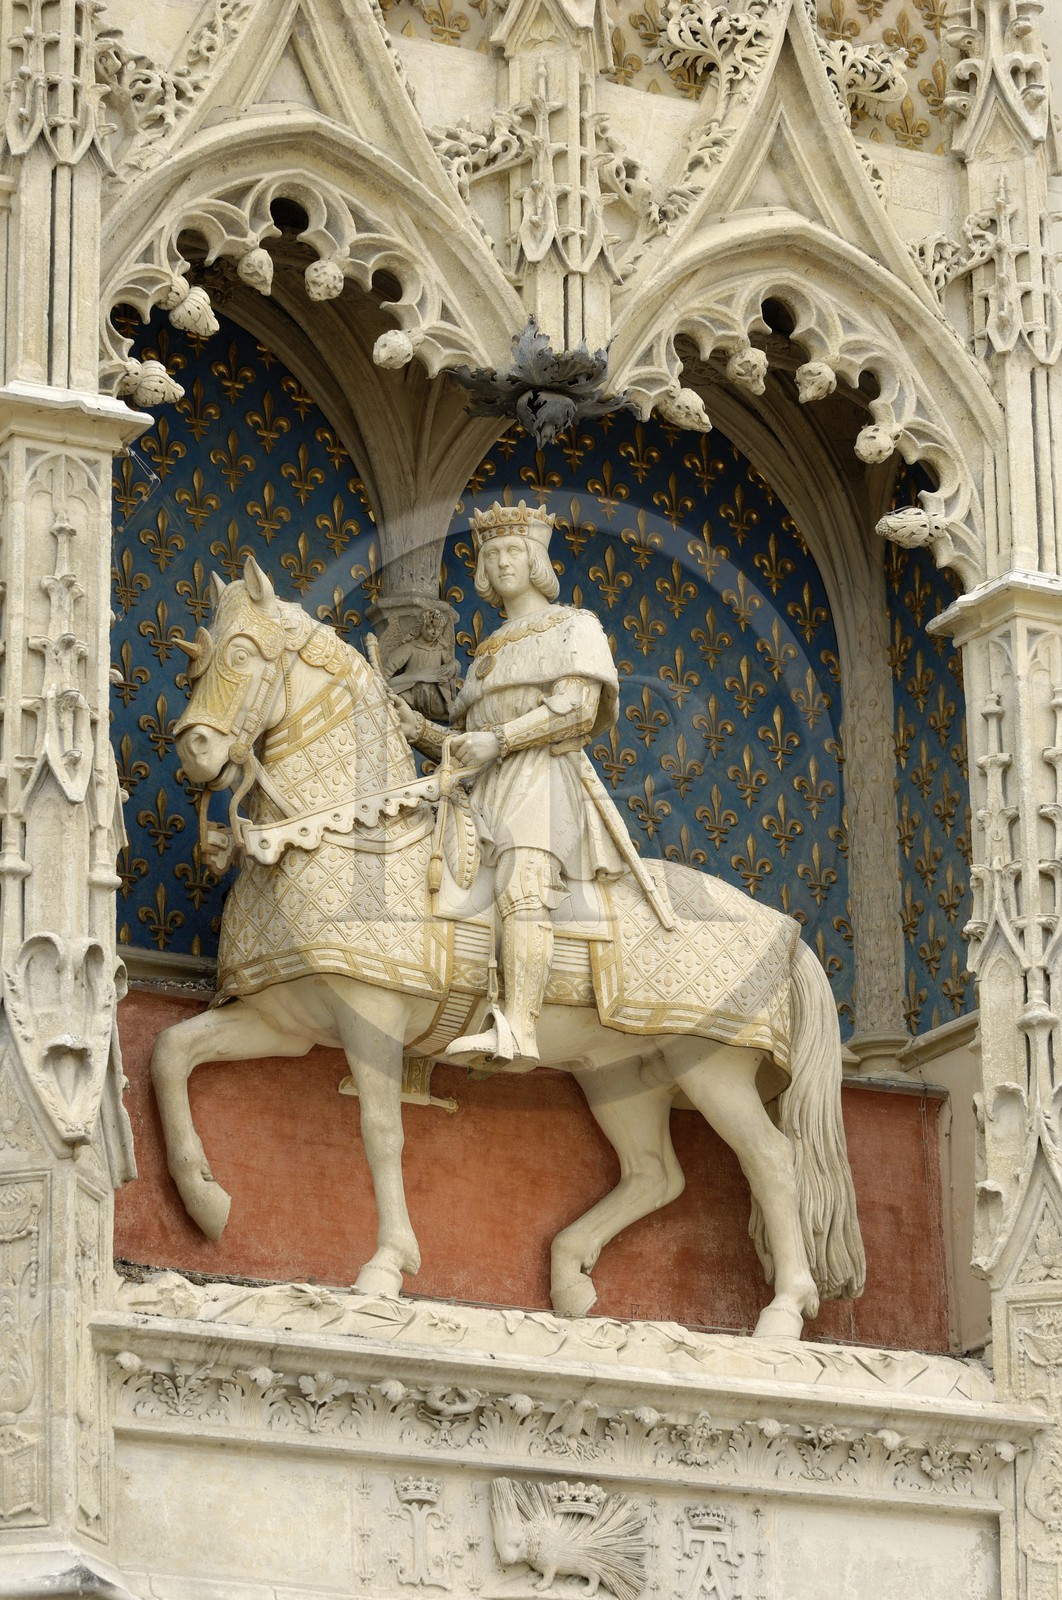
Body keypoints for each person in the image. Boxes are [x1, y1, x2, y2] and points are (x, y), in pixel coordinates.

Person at [396, 499, 649, 1066]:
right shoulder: (487, 652)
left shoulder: (575, 626)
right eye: (492, 554)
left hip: (542, 778)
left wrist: (503, 740)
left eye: (515, 550)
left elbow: (577, 709)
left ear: (537, 560)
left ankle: (519, 1028)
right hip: (477, 788)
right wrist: (415, 726)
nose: (503, 562)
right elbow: (465, 739)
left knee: (522, 885)